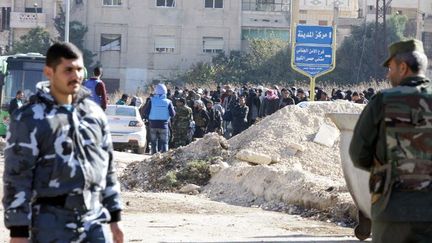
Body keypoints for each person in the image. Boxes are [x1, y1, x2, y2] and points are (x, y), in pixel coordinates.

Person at [2, 42, 124, 242]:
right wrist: (18, 232)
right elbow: (17, 177)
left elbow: (108, 168)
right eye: (68, 70)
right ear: (49, 72)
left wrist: (115, 218)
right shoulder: (29, 118)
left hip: (93, 222)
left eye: (78, 70)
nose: (75, 76)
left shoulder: (94, 114)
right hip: (51, 224)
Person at [349, 39, 431, 243]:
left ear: (403, 67)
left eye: (391, 68)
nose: (388, 74)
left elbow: (358, 154)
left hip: (392, 208)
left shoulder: (382, 101)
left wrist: (387, 169)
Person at [143, 83, 175, 154]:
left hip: (153, 125)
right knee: (164, 142)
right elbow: (172, 114)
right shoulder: (168, 102)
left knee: (153, 143)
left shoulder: (151, 101)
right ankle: (164, 157)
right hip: (164, 125)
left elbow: (145, 112)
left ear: (156, 92)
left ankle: (153, 157)